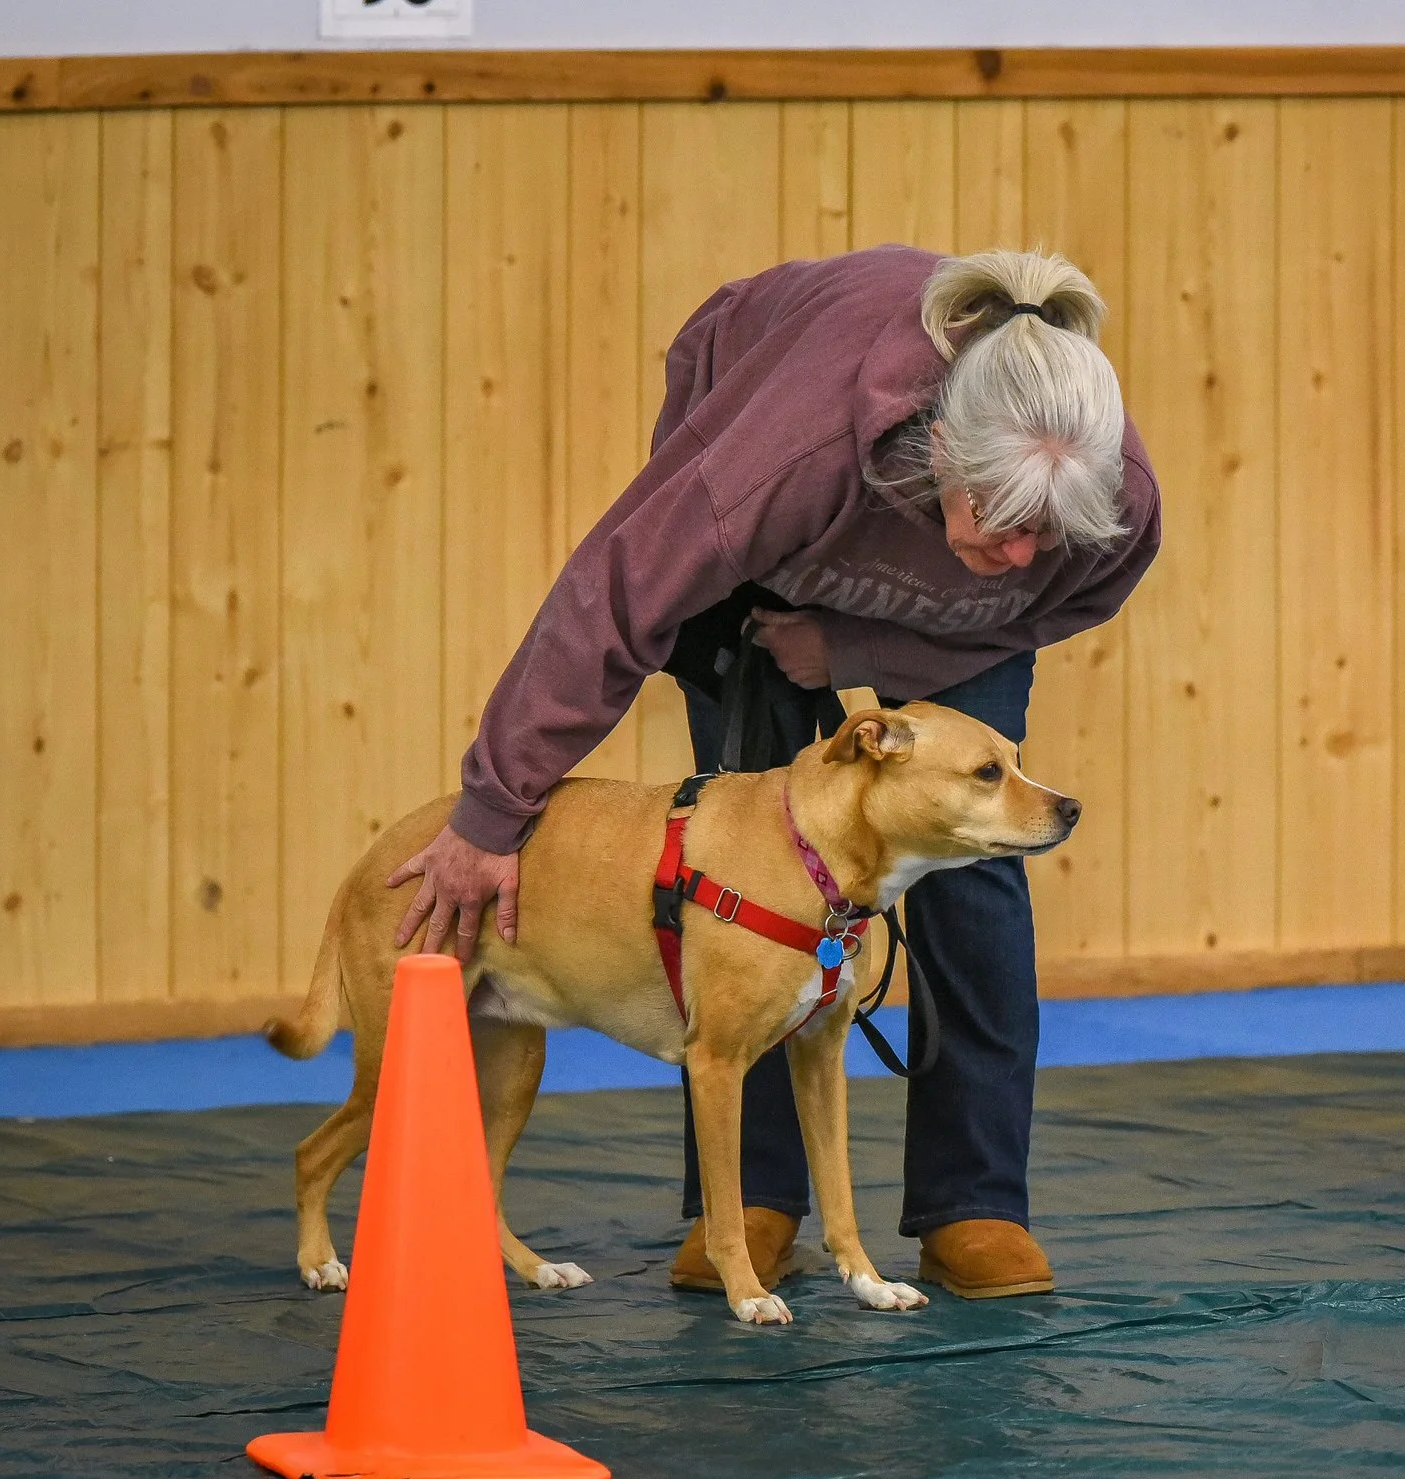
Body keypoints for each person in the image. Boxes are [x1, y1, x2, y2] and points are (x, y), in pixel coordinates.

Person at [388, 245, 1162, 1299]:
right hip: (765, 564)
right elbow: (609, 599)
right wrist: (489, 814)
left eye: (1049, 530)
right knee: (746, 883)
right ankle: (748, 1198)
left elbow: (1066, 600)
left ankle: (973, 1204)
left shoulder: (1103, 499)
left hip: (945, 633)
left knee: (976, 849)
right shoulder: (785, 452)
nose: (1027, 550)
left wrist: (857, 657)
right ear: (938, 447)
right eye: (1005, 521)